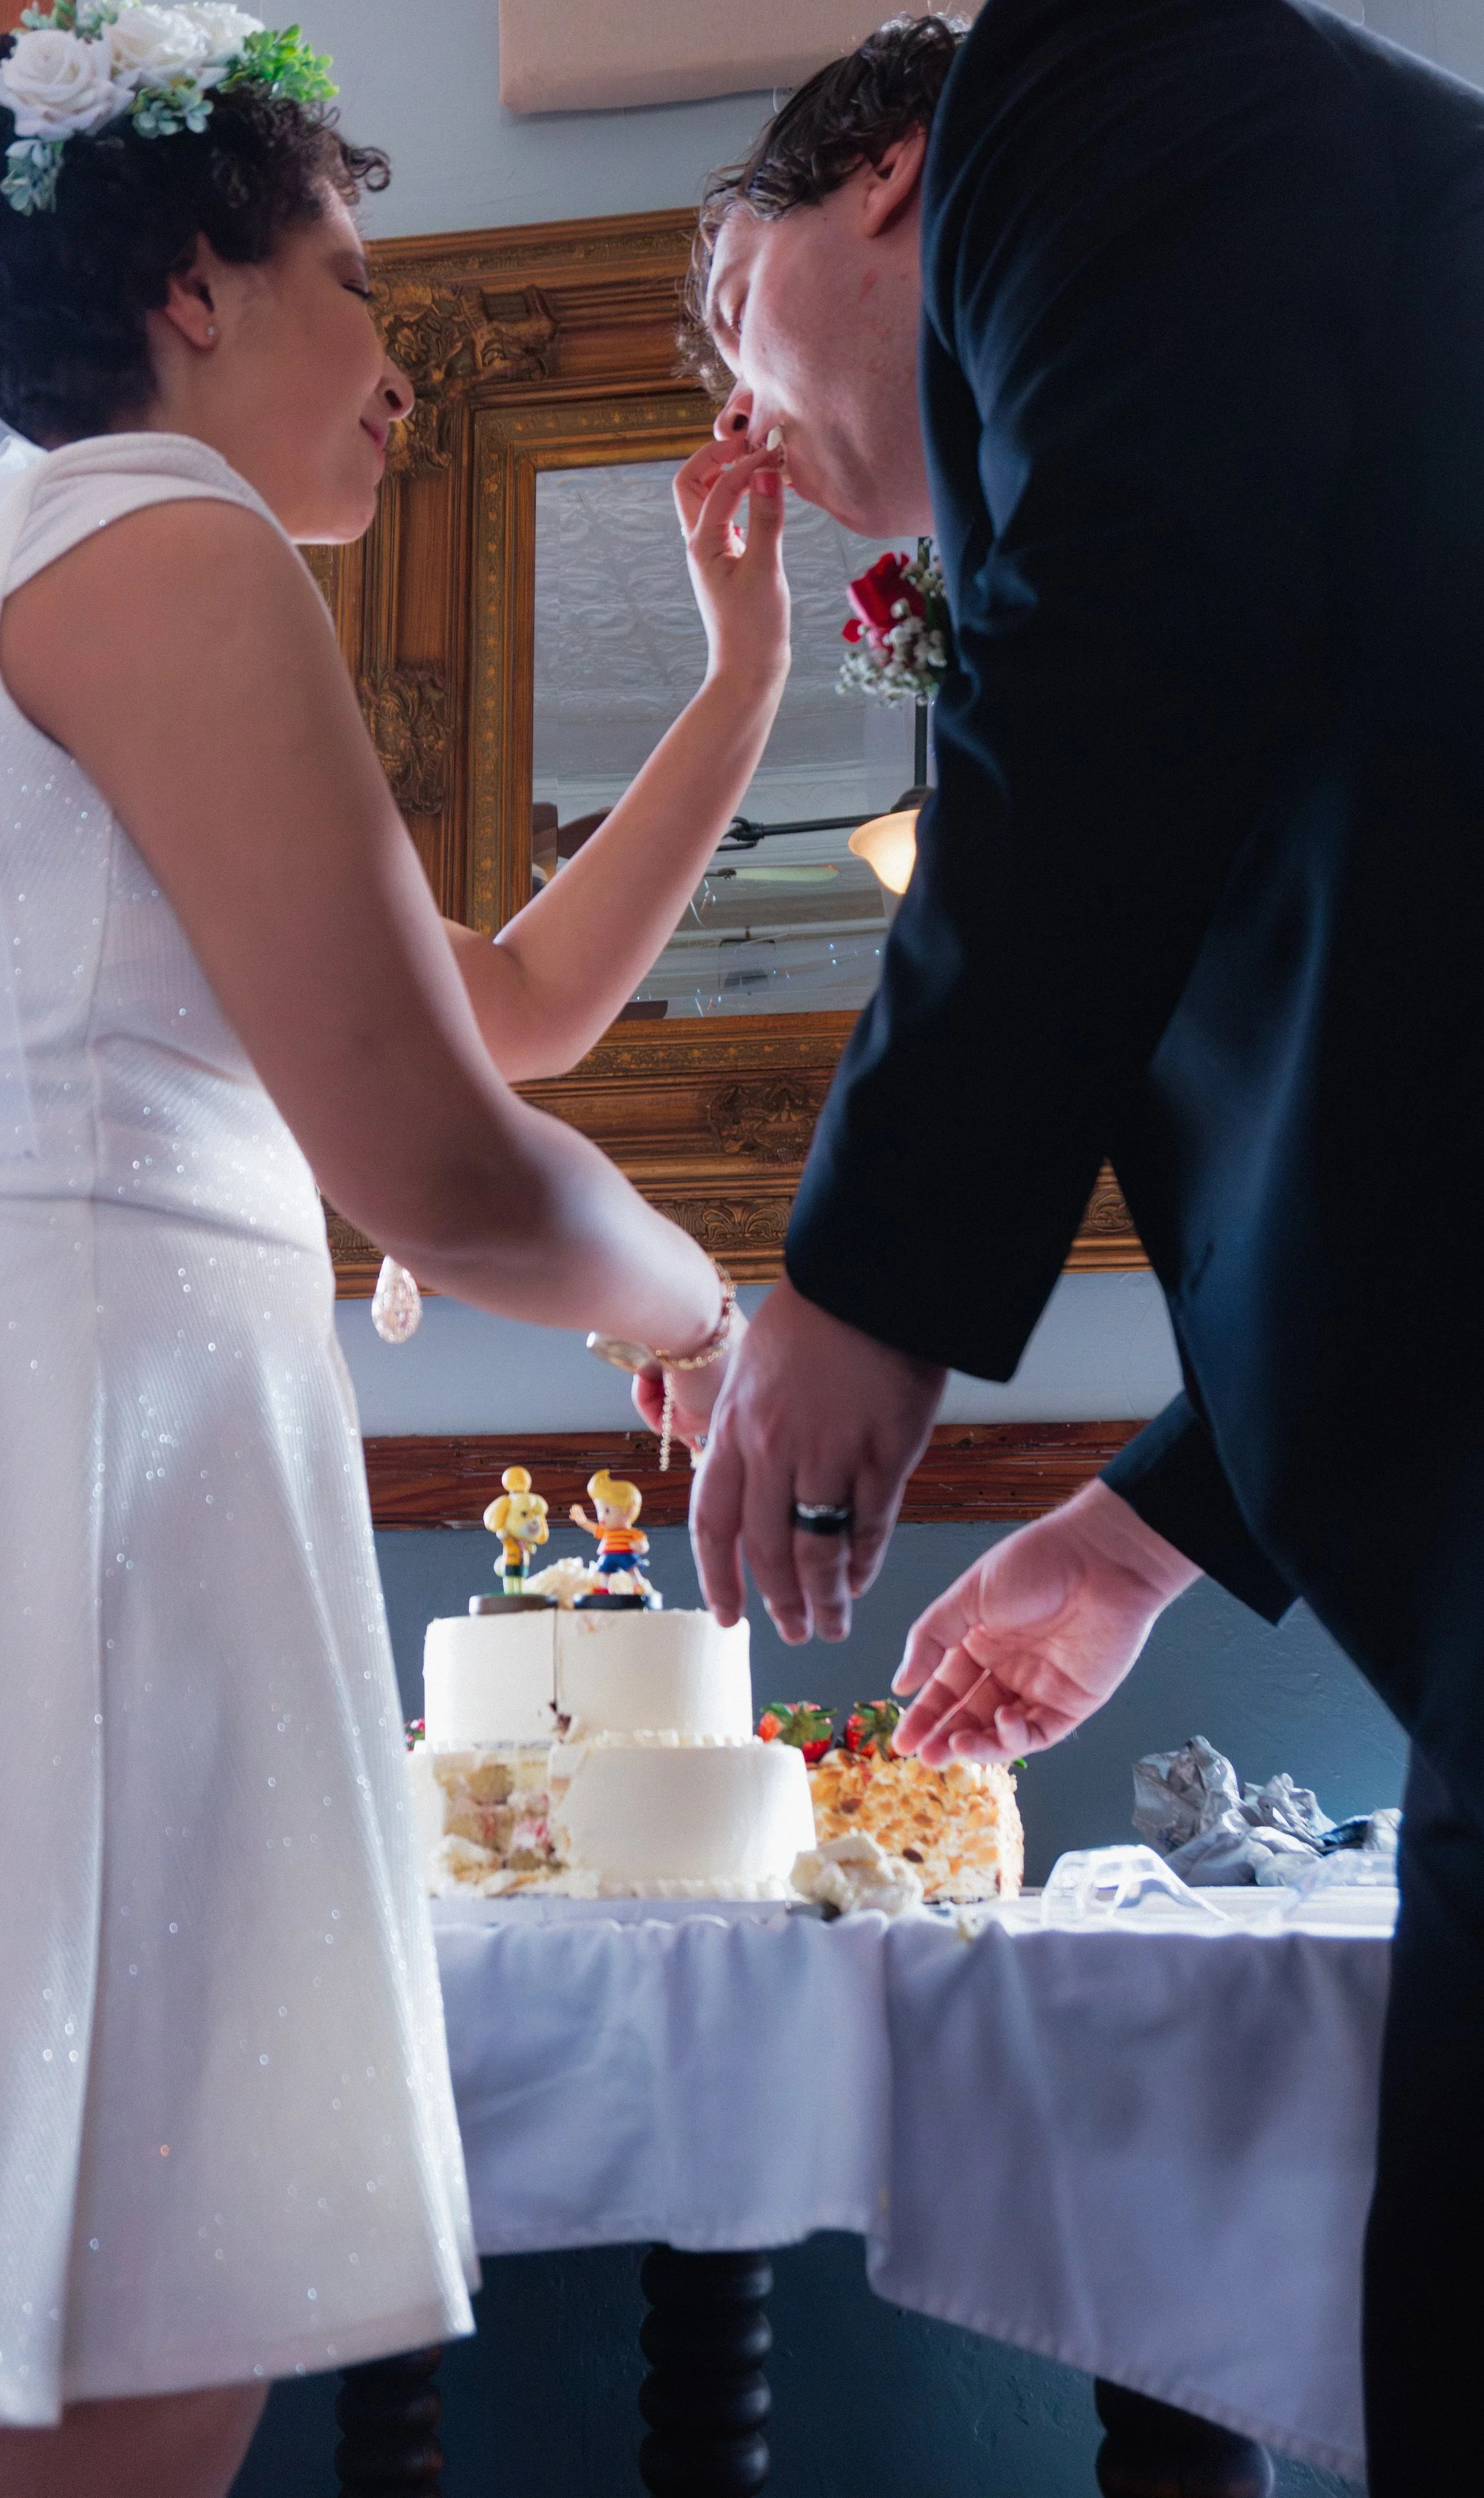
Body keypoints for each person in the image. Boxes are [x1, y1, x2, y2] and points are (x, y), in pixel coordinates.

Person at [0, 12, 788, 2493]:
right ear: (188, 289)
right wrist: (719, 1320)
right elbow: (444, 1169)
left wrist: (743, 676)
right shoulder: (152, 537)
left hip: (106, 1474)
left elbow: (518, 1013)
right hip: (70, 1498)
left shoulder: (58, 562)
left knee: (77, 2330)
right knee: (31, 2357)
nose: (405, 357)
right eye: (356, 275)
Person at [672, 5, 1484, 2486]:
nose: (735, 425)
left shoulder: (1114, 83)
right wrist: (1138, 1528)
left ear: (899, 170)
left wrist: (866, 1278)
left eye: (727, 312)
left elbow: (1110, 672)